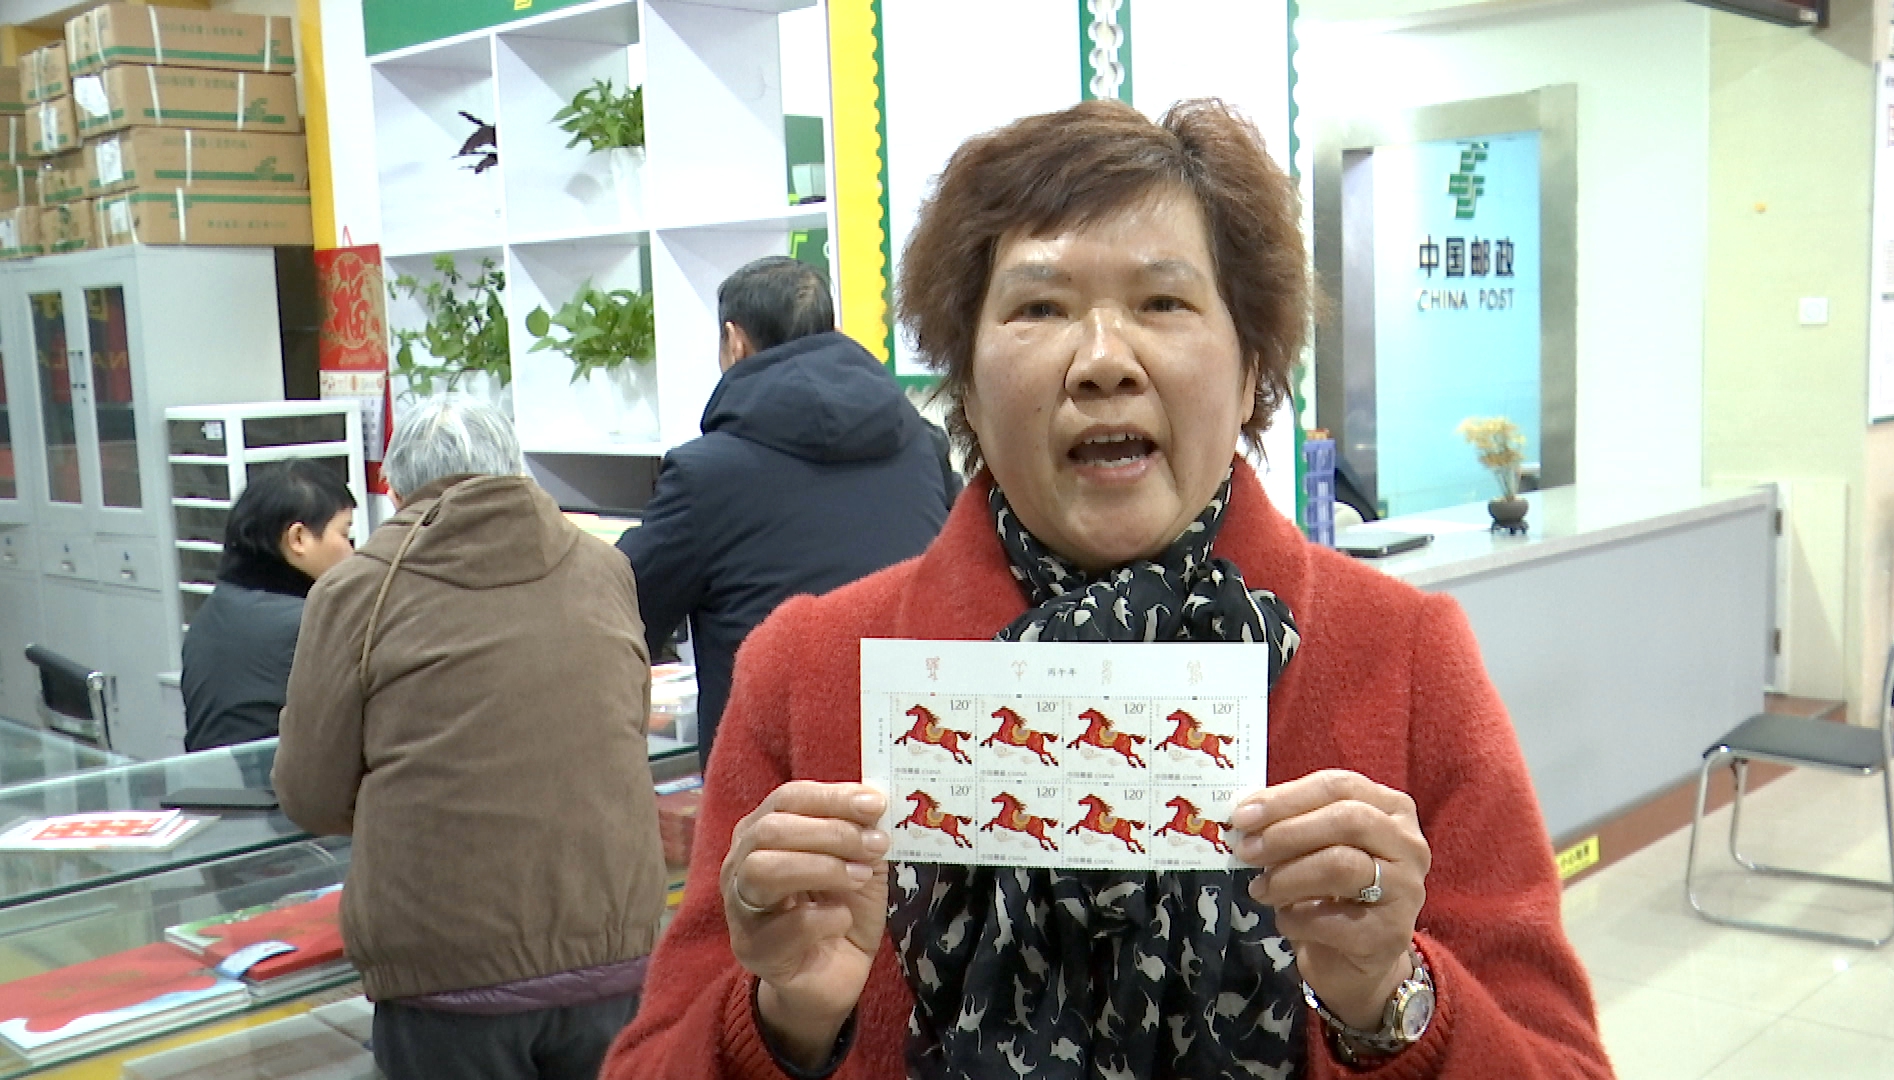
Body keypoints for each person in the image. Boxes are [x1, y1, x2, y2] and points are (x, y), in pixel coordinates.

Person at [601, 100, 1612, 1079]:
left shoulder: (1405, 654)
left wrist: (1394, 998)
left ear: (1252, 370)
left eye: (1163, 302)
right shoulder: (809, 667)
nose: (1101, 362)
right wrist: (782, 1020)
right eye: (1039, 308)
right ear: (965, 383)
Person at [274, 395, 666, 1080]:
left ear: (397, 492)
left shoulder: (355, 591)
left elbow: (311, 793)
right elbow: (628, 722)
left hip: (443, 968)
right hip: (615, 952)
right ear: (515, 471)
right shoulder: (604, 566)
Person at [617, 255, 959, 766]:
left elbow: (621, 615)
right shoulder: (923, 445)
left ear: (735, 342)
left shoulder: (704, 475)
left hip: (772, 776)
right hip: (919, 755)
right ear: (831, 331)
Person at [180, 458, 356, 752]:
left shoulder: (209, 616)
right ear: (298, 538)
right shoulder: (311, 626)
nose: (353, 551)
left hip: (216, 779)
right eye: (345, 534)